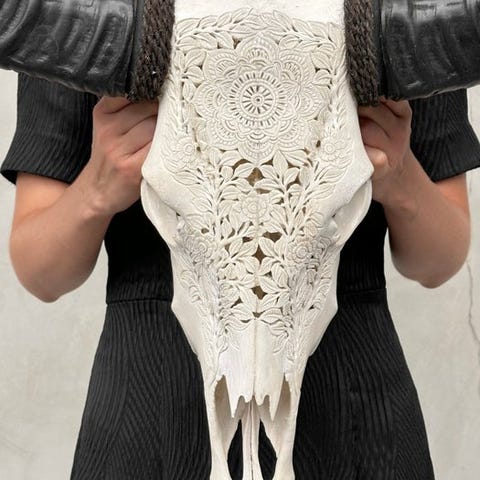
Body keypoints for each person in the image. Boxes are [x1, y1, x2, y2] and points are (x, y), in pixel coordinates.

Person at [1, 70, 479, 479]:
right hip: (150, 405)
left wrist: (400, 177)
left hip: (351, 411)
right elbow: (42, 271)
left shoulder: (398, 10)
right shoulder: (86, 9)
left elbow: (438, 261)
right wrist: (98, 188)